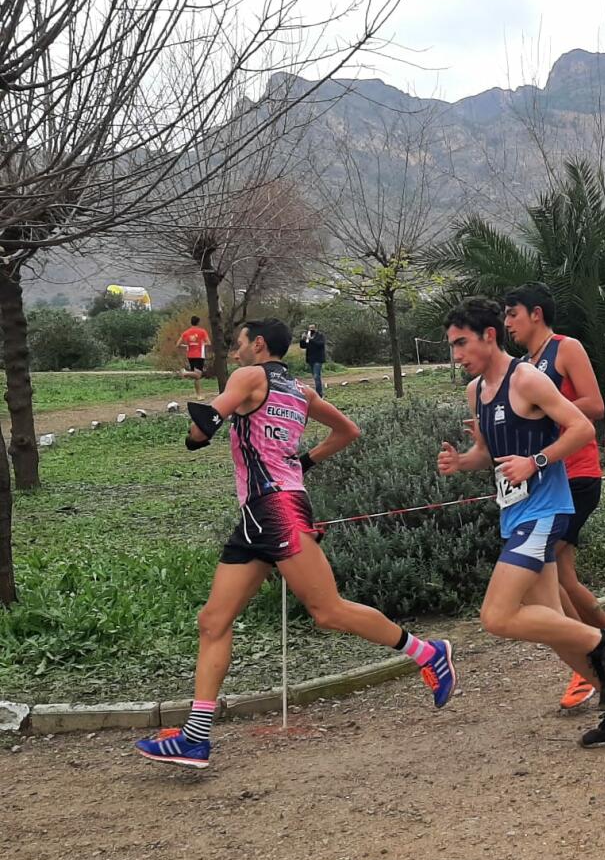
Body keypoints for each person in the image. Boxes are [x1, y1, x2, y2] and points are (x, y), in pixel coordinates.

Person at [134, 318, 455, 770]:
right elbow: (349, 432)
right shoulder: (301, 392)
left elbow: (206, 422)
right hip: (258, 513)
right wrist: (302, 461)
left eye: (239, 342)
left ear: (258, 344)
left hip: (276, 509)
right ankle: (195, 736)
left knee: (328, 611)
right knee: (213, 621)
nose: (237, 349)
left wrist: (195, 435)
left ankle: (429, 652)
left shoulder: (249, 377)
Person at [437, 297, 605, 748]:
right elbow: (493, 457)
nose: (456, 355)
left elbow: (581, 428)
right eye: (452, 346)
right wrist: (464, 461)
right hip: (514, 513)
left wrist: (536, 461)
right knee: (552, 625)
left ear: (488, 335)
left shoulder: (527, 378)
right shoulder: (476, 391)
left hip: (545, 510)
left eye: (461, 343)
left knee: (497, 616)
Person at [502, 282, 605, 712]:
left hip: (577, 475)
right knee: (563, 578)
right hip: (544, 482)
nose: (507, 322)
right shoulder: (523, 365)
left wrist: (546, 410)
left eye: (512, 313)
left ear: (535, 313)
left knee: (539, 576)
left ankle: (588, 662)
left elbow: (595, 405)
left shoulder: (565, 348)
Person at [176, 316, 211, 397]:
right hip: (199, 355)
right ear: (198, 322)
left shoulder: (186, 332)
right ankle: (185, 373)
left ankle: (199, 395)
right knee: (198, 375)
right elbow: (208, 343)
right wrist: (201, 344)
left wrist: (187, 346)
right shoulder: (202, 331)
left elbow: (178, 344)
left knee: (196, 376)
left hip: (190, 355)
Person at [299, 323, 326, 396]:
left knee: (317, 376)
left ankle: (319, 394)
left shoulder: (320, 335)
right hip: (310, 359)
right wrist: (302, 339)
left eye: (312, 328)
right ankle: (319, 391)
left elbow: (320, 344)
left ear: (316, 328)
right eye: (310, 328)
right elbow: (303, 346)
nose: (311, 329)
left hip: (318, 358)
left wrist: (311, 339)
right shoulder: (308, 335)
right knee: (314, 376)